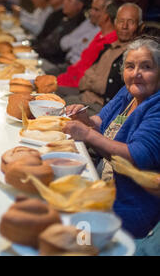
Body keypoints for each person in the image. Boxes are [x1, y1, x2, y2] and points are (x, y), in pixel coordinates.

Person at [63, 38, 160, 238]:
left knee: (66, 226)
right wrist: (85, 120)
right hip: (103, 183)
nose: (136, 74)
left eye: (146, 67)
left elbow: (135, 156)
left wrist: (87, 133)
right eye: (130, 66)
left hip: (129, 205)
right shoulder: (128, 92)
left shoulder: (156, 107)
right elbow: (100, 121)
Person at [65, 3, 143, 114]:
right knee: (48, 97)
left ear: (140, 26)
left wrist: (91, 81)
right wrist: (94, 81)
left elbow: (104, 87)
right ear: (115, 23)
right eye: (121, 21)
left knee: (54, 106)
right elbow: (83, 79)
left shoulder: (134, 55)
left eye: (131, 22)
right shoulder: (108, 48)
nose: (124, 26)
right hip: (83, 97)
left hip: (100, 109)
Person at [57, 0, 119, 89]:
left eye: (99, 11)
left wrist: (59, 82)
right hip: (70, 76)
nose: (93, 14)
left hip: (78, 85)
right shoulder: (100, 34)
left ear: (106, 16)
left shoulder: (111, 41)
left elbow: (88, 72)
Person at [33, 0, 88, 67]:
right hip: (42, 55)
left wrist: (35, 51)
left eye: (69, 0)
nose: (64, 2)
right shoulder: (65, 18)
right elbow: (49, 39)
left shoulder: (79, 24)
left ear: (79, 5)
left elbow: (56, 49)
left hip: (53, 63)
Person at [59, 0, 112, 66]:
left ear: (107, 13)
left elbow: (84, 57)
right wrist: (81, 41)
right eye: (92, 8)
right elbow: (63, 43)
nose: (91, 13)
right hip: (65, 64)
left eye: (96, 10)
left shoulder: (105, 33)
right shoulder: (88, 22)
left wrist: (74, 43)